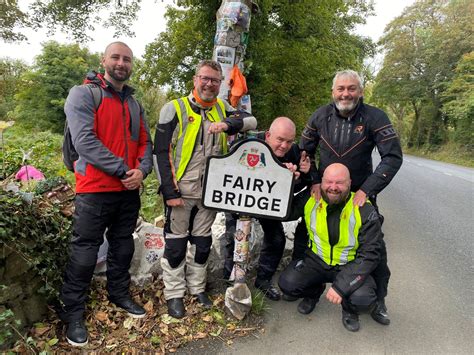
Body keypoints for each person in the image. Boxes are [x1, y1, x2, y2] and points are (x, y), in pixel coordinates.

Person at [59, 42, 153, 347]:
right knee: (85, 251)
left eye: (127, 59)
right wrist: (125, 171)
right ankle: (73, 312)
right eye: (116, 57)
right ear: (104, 60)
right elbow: (85, 141)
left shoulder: (135, 104)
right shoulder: (83, 94)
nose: (121, 63)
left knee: (123, 246)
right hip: (95, 190)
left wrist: (142, 170)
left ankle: (118, 293)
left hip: (127, 191)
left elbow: (145, 143)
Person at [154, 60, 257, 319]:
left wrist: (227, 125)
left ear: (221, 83)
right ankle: (174, 294)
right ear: (195, 79)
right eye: (205, 78)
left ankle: (197, 289)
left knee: (202, 243)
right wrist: (169, 191)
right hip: (180, 192)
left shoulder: (223, 108)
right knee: (175, 246)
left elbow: (251, 121)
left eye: (214, 80)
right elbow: (160, 152)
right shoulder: (173, 108)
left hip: (210, 194)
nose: (209, 83)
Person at [300, 69, 403, 325]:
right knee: (310, 238)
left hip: (360, 193)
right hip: (326, 192)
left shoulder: (375, 117)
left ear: (360, 91)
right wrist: (313, 180)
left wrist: (368, 189)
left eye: (351, 88)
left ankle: (375, 302)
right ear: (333, 92)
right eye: (341, 88)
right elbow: (304, 152)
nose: (346, 93)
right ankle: (311, 292)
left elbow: (392, 156)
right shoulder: (320, 116)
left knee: (376, 249)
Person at [279, 163, 382, 332]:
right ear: (322, 181)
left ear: (350, 183)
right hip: (316, 260)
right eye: (329, 182)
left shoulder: (364, 208)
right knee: (287, 284)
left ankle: (349, 310)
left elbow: (370, 254)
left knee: (364, 300)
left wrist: (341, 287)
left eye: (340, 183)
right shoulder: (311, 197)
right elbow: (283, 211)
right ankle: (313, 293)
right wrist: (287, 180)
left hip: (349, 265)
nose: (333, 188)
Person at [223, 117, 312, 301]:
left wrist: (299, 175)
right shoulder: (249, 144)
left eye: (289, 141)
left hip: (267, 203)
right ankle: (229, 279)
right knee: (233, 237)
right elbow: (227, 171)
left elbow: (305, 184)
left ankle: (263, 280)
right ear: (268, 135)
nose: (284, 146)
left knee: (277, 238)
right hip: (241, 200)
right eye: (280, 140)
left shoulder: (295, 152)